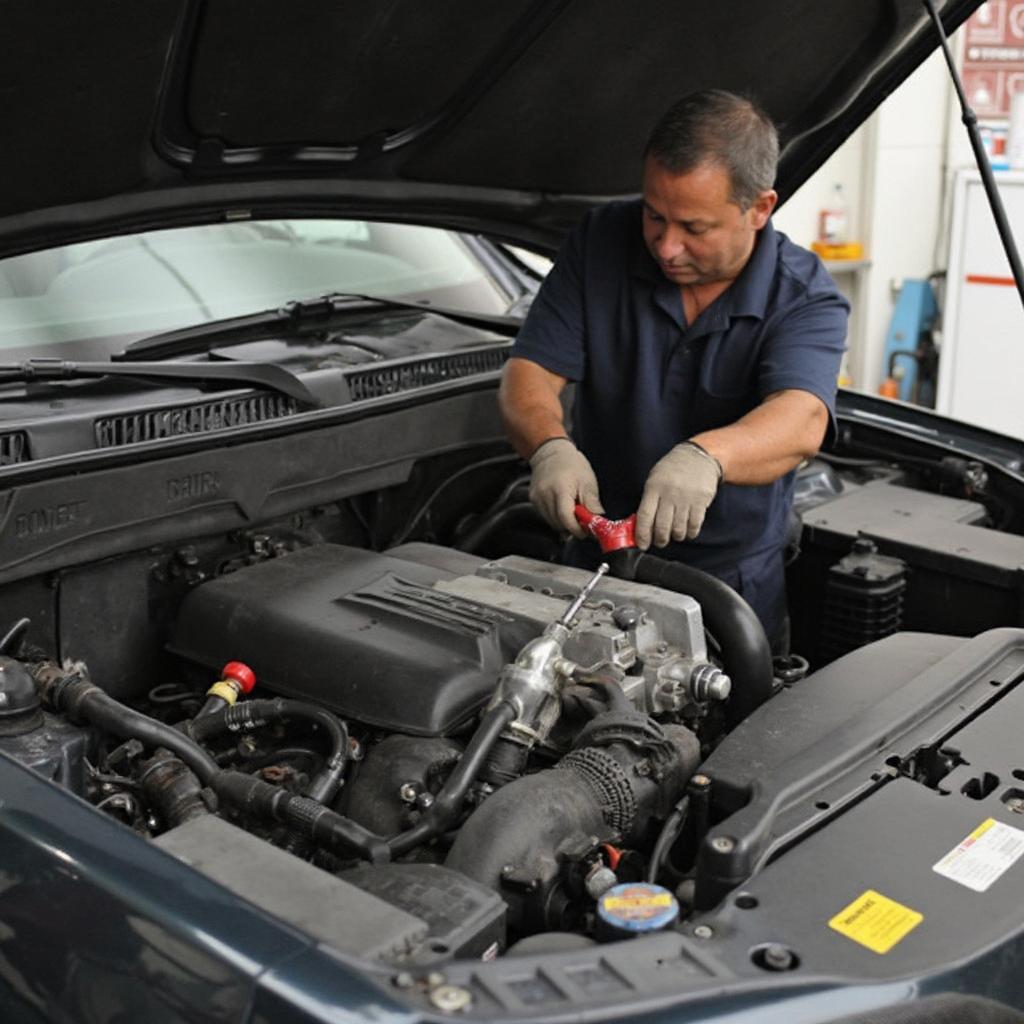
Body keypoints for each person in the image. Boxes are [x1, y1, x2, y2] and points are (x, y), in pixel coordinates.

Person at [498, 90, 848, 651]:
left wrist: (707, 457)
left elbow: (801, 418)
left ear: (759, 208)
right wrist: (548, 447)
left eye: (694, 227)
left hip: (731, 588)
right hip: (595, 563)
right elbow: (531, 371)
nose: (665, 245)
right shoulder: (600, 244)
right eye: (653, 215)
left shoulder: (804, 296)